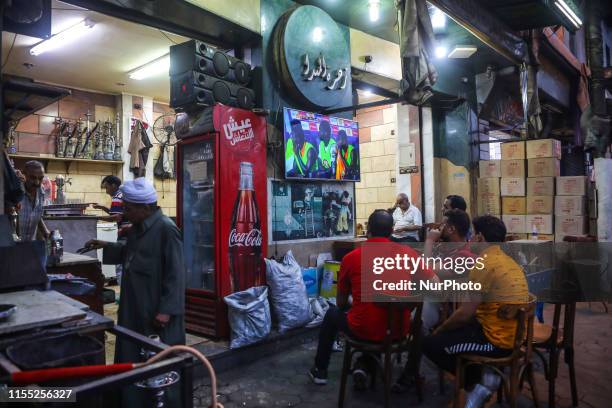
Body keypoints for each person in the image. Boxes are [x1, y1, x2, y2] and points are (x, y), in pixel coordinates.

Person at [83, 178, 185, 407]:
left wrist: (166, 311)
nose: (124, 212)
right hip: (134, 306)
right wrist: (104, 245)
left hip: (155, 312)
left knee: (158, 361)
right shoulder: (138, 228)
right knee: (132, 356)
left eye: (128, 208)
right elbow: (132, 252)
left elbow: (176, 274)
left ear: (145, 207)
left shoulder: (166, 230)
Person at [309, 210, 436, 387]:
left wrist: (356, 302)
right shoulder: (408, 254)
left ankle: (320, 370)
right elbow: (434, 283)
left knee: (332, 314)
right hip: (399, 331)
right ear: (392, 230)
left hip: (362, 330)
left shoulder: (350, 258)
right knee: (418, 327)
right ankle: (407, 376)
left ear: (368, 229)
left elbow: (341, 303)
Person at [422, 215, 529, 408]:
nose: (470, 239)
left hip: (498, 342)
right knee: (453, 332)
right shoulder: (507, 260)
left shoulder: (485, 263)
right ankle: (485, 378)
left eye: (473, 235)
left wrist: (441, 329)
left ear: (480, 237)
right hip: (514, 334)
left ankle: (479, 382)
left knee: (430, 343)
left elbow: (464, 314)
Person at [393, 209, 475, 392]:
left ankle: (409, 373)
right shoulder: (454, 249)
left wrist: (429, 240)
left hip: (448, 310)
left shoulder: (464, 256)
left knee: (416, 323)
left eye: (443, 224)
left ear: (452, 229)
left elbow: (425, 270)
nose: (439, 227)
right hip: (436, 299)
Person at [92, 175, 130, 290]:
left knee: (120, 265)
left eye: (107, 188)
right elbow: (116, 214)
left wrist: (96, 218)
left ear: (114, 185)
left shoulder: (117, 197)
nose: (107, 191)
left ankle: (124, 294)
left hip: (125, 233)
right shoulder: (120, 195)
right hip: (127, 233)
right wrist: (103, 208)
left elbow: (117, 217)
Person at [17, 160, 50, 241]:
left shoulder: (41, 191)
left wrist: (45, 232)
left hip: (30, 245)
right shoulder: (16, 191)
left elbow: (35, 214)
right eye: (32, 178)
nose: (37, 182)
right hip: (11, 245)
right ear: (24, 175)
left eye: (40, 178)